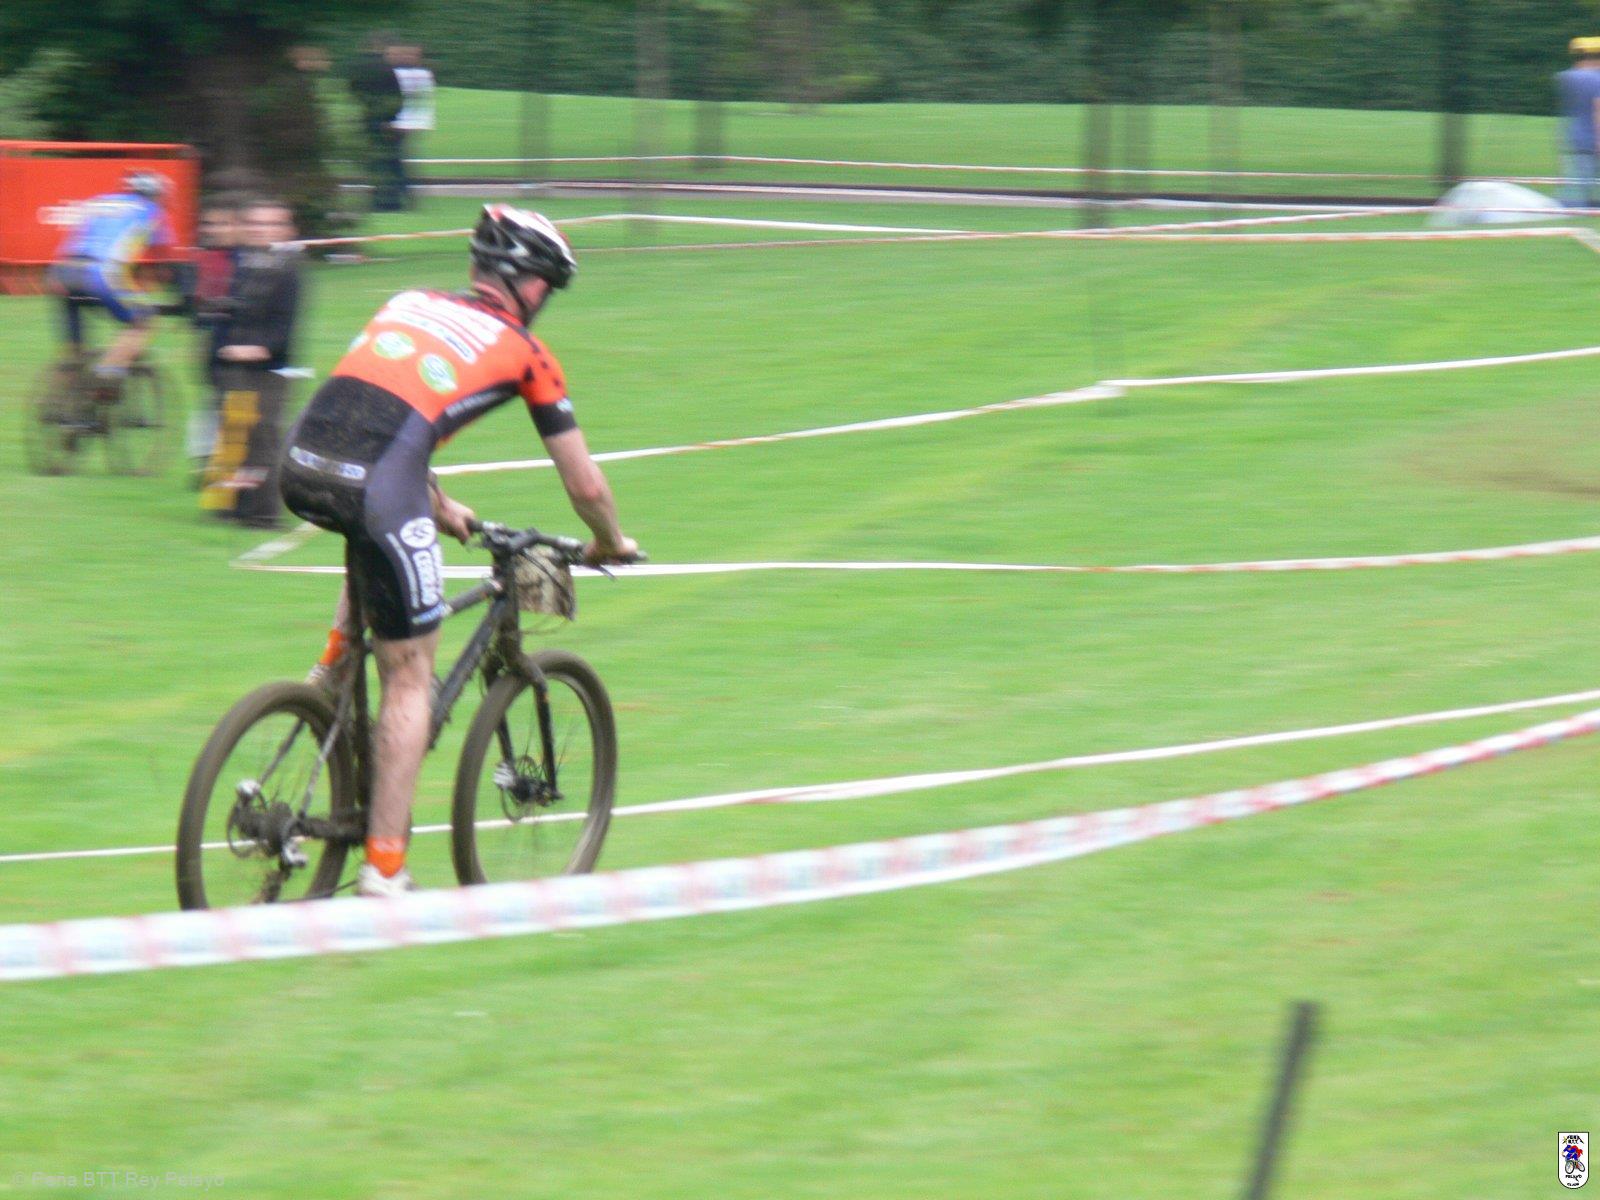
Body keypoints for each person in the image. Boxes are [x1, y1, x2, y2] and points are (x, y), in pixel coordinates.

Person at [278, 204, 639, 897]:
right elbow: (585, 485)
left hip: (300, 461)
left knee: (378, 538)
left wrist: (442, 508)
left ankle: (329, 673)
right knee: (410, 676)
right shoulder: (527, 352)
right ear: (533, 285)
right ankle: (385, 869)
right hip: (378, 486)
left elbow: (378, 414)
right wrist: (610, 541)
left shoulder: (407, 301)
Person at [201, 199, 303, 526]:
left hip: (268, 369)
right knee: (231, 435)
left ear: (287, 230)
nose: (262, 231)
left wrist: (256, 349)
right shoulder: (240, 263)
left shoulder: (288, 268)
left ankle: (262, 515)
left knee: (262, 440)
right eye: (256, 224)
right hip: (232, 366)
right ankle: (226, 507)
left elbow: (284, 326)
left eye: (271, 224)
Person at [49, 171, 177, 384]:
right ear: (155, 194)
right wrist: (168, 286)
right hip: (103, 273)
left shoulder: (100, 202)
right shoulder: (152, 210)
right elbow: (163, 261)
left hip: (63, 272)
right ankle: (107, 375)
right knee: (144, 319)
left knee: (74, 322)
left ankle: (71, 375)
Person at [183, 196, 241, 471]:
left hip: (240, 339)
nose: (214, 230)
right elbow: (196, 302)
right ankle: (206, 457)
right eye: (209, 224)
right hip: (213, 340)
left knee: (229, 399)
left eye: (222, 224)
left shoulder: (245, 258)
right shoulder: (203, 259)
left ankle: (217, 457)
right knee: (215, 398)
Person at [347, 33, 406, 212]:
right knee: (389, 161)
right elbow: (397, 98)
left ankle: (378, 199)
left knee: (375, 162)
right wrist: (391, 118)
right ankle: (390, 201)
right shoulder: (387, 69)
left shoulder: (359, 67)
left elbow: (353, 90)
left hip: (369, 120)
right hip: (386, 122)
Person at [1557, 38, 1600, 207]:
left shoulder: (1567, 77)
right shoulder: (1596, 79)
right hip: (1592, 137)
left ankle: (1574, 205)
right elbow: (1597, 110)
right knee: (1583, 183)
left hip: (1574, 136)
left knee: (1581, 179)